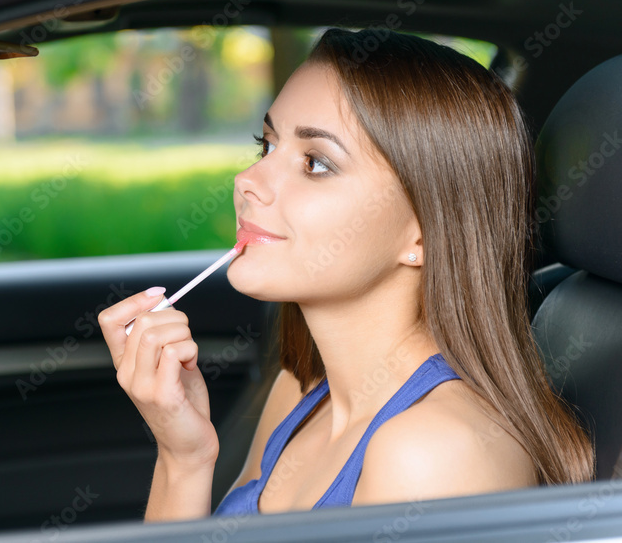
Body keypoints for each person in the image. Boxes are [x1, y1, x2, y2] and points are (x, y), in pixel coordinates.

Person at [97, 27, 594, 521]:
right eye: (267, 146)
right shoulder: (300, 392)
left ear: (421, 235)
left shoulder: (429, 455)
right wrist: (184, 457)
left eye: (315, 164)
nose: (248, 181)